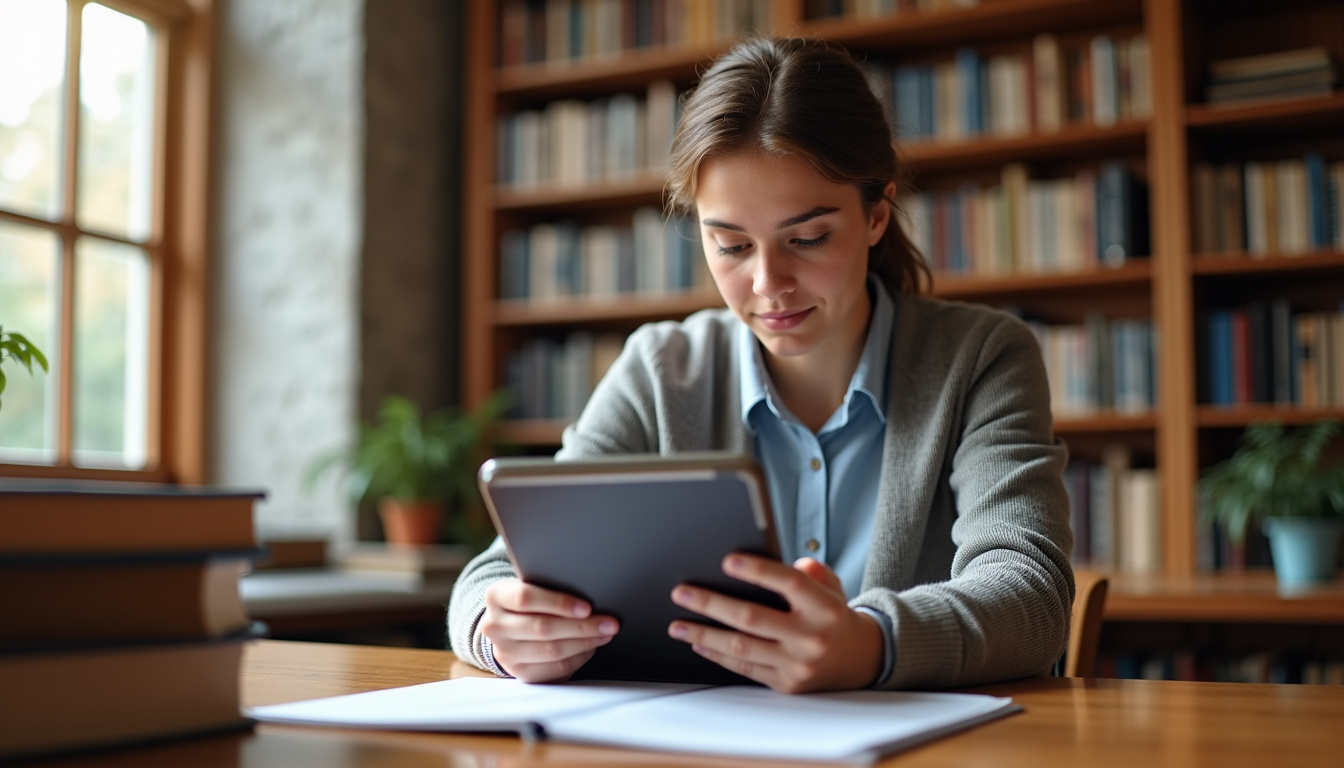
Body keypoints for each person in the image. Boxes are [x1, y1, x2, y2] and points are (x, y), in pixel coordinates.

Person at [449, 36, 1074, 693]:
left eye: (807, 238)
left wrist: (871, 644)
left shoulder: (982, 358)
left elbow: (1031, 595)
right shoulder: (660, 369)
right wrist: (503, 634)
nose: (769, 283)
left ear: (876, 215)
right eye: (731, 245)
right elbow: (493, 577)